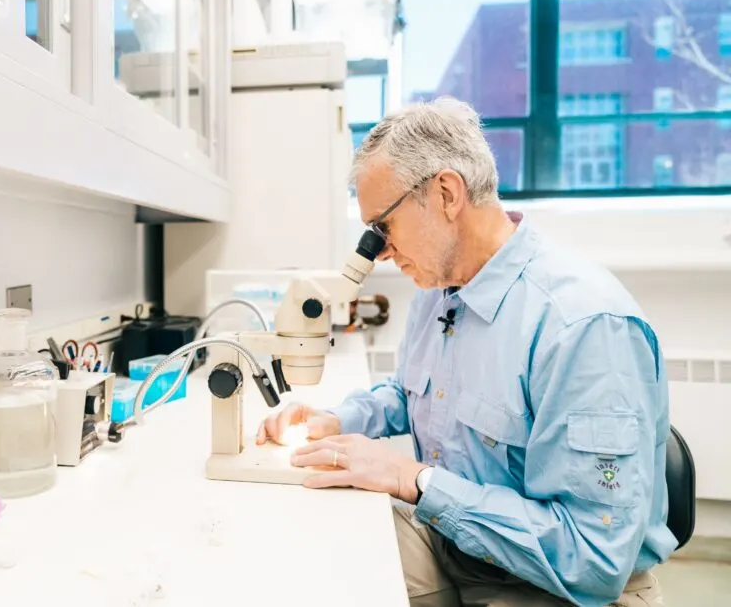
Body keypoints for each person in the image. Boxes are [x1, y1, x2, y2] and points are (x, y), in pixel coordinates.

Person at [256, 97, 677, 607]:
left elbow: (592, 559)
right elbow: (413, 392)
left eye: (382, 228)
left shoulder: (583, 327)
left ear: (447, 194)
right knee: (308, 544)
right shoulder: (439, 288)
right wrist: (336, 419)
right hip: (460, 545)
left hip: (559, 588)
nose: (380, 252)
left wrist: (415, 480)